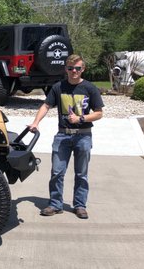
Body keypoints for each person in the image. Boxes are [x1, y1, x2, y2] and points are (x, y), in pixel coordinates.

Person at [28, 54, 104, 219]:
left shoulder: (90, 88)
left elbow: (99, 113)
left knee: (81, 174)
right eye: (70, 68)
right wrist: (35, 122)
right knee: (57, 172)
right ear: (66, 69)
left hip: (83, 136)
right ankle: (55, 204)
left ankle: (80, 205)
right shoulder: (58, 87)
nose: (74, 71)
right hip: (62, 136)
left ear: (83, 69)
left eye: (77, 68)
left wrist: (81, 118)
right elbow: (46, 105)